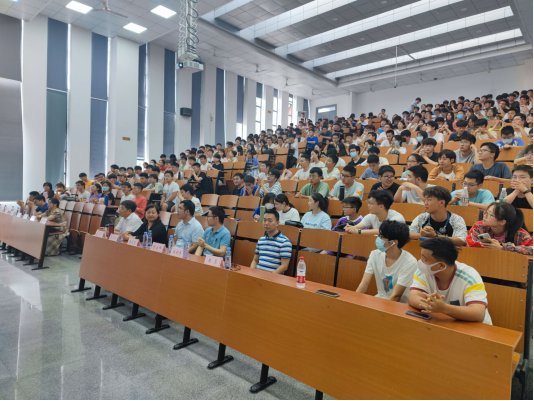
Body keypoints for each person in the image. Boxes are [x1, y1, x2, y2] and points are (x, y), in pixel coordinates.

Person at [409, 237, 492, 324]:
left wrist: (444, 308)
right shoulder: (423, 271)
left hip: (473, 327)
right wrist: (433, 306)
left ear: (441, 266)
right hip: (443, 323)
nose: (421, 261)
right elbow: (413, 296)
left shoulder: (470, 277)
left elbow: (478, 313)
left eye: (425, 259)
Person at [356, 221, 417, 303]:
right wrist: (354, 302)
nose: (378, 238)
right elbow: (364, 284)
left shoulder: (410, 262)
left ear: (394, 242)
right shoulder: (374, 254)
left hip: (400, 305)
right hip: (379, 300)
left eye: (381, 236)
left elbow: (396, 296)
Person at [466, 202, 532, 254]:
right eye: (486, 212)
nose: (484, 216)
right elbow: (470, 242)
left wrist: (502, 247)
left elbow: (532, 249)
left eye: (489, 214)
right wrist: (491, 246)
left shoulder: (520, 233)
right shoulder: (479, 226)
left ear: (502, 222)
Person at [250, 210, 292, 274]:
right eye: (264, 220)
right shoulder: (261, 240)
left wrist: (269, 276)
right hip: (257, 275)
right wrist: (251, 273)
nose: (266, 223)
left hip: (273, 277)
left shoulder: (285, 242)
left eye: (270, 221)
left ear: (277, 223)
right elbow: (255, 260)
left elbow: (284, 266)